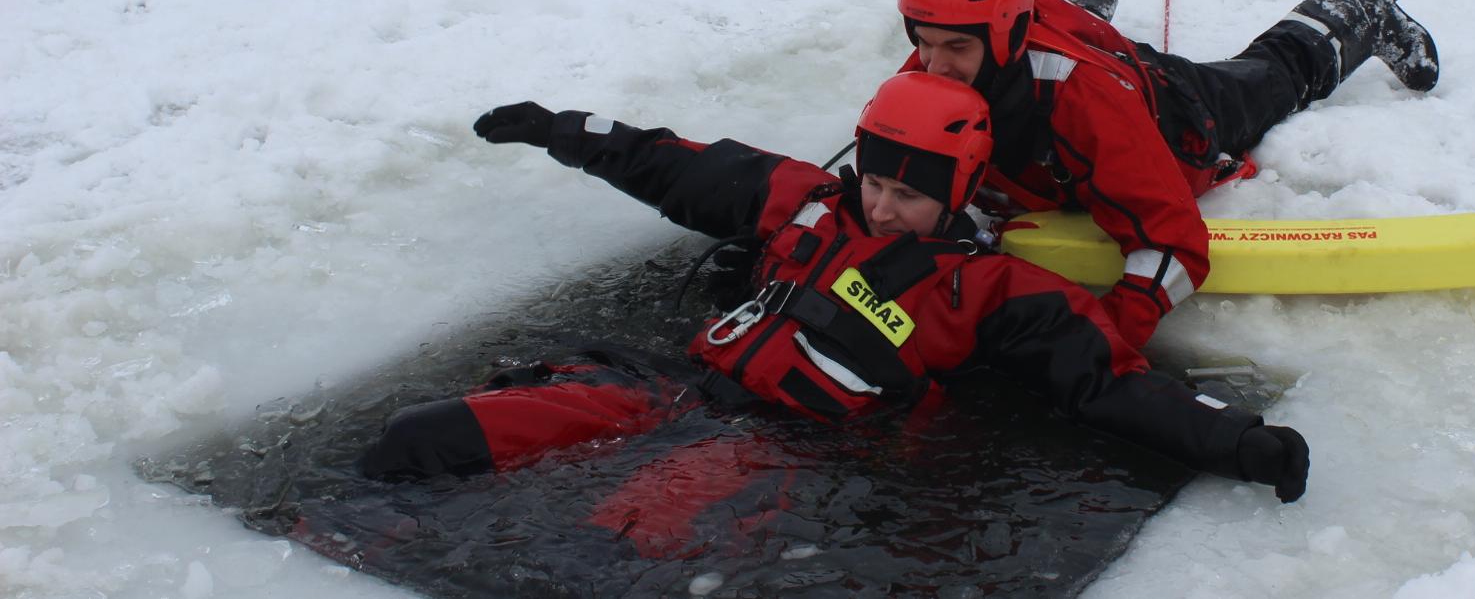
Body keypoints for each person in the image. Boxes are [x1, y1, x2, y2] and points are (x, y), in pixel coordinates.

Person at [361, 72, 1310, 504]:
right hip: (670, 390)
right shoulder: (805, 200)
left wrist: (1237, 441)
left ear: (959, 194)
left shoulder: (993, 290)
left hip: (780, 447)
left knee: (627, 535)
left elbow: (1106, 384)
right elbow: (672, 163)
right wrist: (558, 128)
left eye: (908, 194)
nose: (883, 206)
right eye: (875, 180)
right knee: (423, 438)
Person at [894, 0, 1440, 348]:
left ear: (1006, 29)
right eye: (925, 43)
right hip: (1063, 72)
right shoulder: (926, 72)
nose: (934, 67)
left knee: (1271, 76)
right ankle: (1074, 0)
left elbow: (1176, 242)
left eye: (957, 48)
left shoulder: (1087, 102)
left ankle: (1361, 9)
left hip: (1176, 113)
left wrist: (1104, 343)